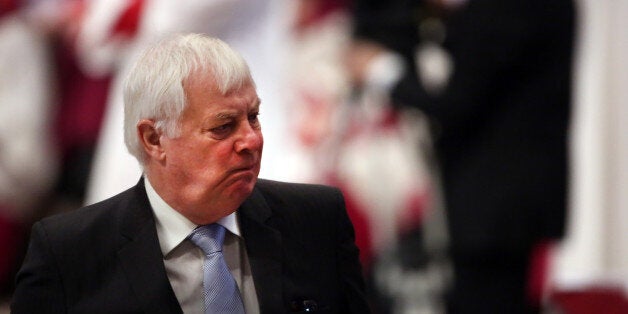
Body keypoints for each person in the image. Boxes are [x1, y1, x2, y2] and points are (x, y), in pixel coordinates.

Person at [11, 33, 370, 314]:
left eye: (254, 117)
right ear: (154, 139)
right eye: (223, 126)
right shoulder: (68, 253)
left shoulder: (316, 220)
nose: (251, 140)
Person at [349, 0, 575, 313]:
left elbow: (456, 105)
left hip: (493, 201)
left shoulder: (505, 9)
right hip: (510, 195)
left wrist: (380, 70)